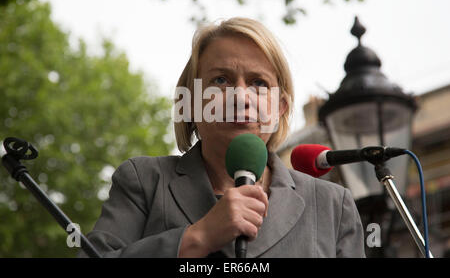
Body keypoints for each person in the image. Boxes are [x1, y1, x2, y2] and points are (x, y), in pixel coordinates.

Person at [78, 17, 366, 258]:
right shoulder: (144, 181)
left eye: (258, 83)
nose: (241, 97)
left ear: (280, 108)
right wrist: (197, 237)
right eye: (220, 80)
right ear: (190, 103)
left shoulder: (331, 205)